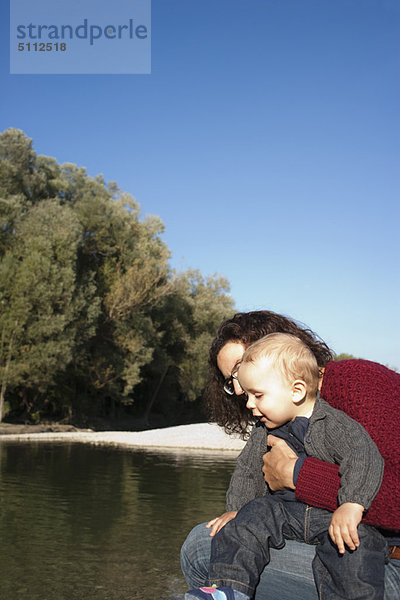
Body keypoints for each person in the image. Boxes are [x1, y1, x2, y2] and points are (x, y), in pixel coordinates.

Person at [180, 311, 400, 600]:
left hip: (379, 560)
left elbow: (382, 483)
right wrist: (239, 510)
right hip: (323, 535)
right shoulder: (276, 422)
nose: (236, 389)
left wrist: (298, 475)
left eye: (237, 371)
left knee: (201, 549)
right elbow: (247, 472)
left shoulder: (357, 384)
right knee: (220, 535)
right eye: (229, 381)